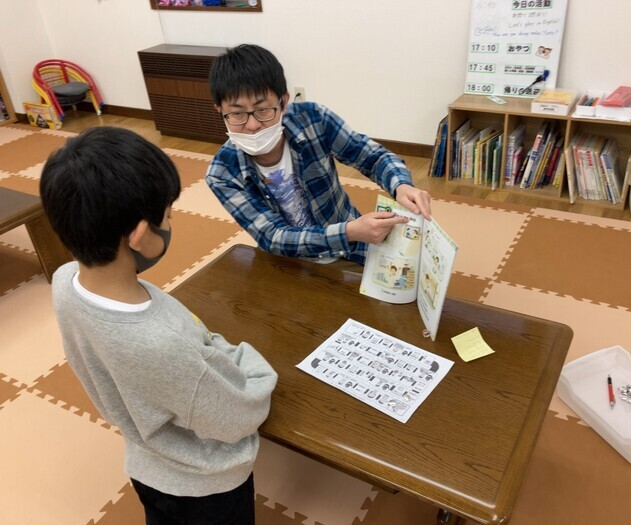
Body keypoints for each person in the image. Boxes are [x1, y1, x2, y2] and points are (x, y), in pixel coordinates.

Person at [39, 126, 278, 525]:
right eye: (167, 215)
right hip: (205, 487)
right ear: (137, 234)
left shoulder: (66, 280)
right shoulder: (160, 344)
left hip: (146, 463)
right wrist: (253, 364)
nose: (170, 222)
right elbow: (237, 417)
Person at [206, 44, 431, 265]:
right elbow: (272, 236)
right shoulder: (222, 173)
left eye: (263, 110)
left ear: (284, 102)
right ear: (220, 111)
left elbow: (371, 156)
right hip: (288, 260)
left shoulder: (313, 119)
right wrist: (348, 232)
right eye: (236, 114)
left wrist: (401, 185)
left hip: (353, 243)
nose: (253, 125)